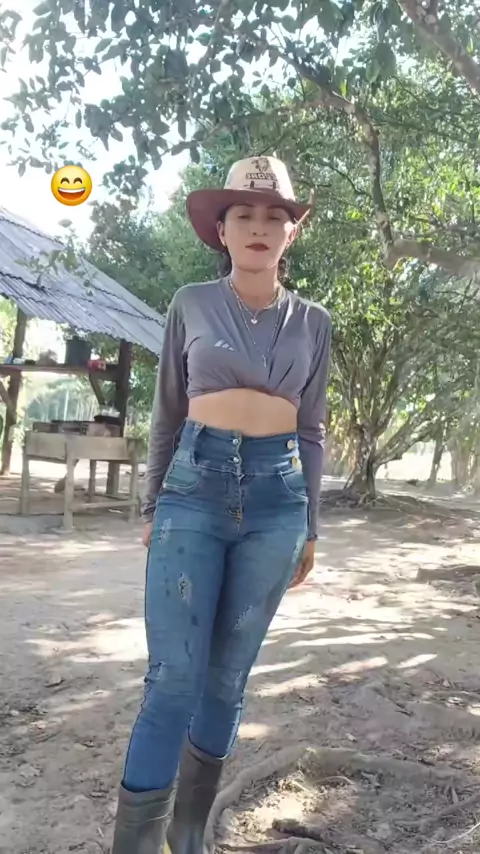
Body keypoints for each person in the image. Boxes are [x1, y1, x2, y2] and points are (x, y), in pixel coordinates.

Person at [111, 156, 332, 854]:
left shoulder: (314, 321)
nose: (259, 226)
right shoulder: (191, 303)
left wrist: (311, 527)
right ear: (222, 229)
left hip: (277, 502)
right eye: (244, 214)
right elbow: (168, 411)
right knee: (173, 680)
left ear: (292, 232)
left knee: (226, 681)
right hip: (194, 490)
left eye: (274, 216)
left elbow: (311, 429)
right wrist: (153, 506)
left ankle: (189, 837)